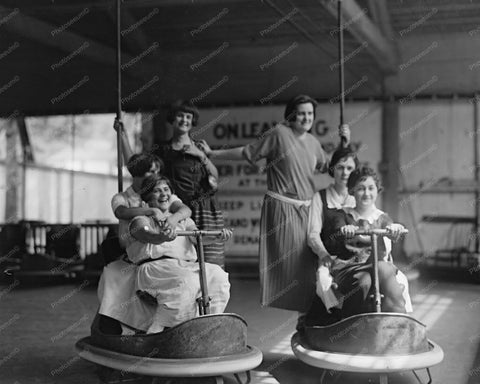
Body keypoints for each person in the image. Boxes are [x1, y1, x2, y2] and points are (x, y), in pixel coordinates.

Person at [199, 94, 350, 312]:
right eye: (301, 113)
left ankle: (314, 315)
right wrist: (213, 153)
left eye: (310, 114)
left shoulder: (314, 142)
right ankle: (305, 313)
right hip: (283, 208)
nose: (306, 118)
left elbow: (330, 168)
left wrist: (343, 144)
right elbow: (248, 152)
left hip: (308, 210)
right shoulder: (279, 133)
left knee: (313, 267)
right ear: (291, 115)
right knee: (292, 269)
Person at [115, 102, 225, 268]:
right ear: (172, 120)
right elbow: (136, 165)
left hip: (202, 210)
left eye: (189, 117)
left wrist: (202, 155)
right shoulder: (161, 150)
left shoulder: (200, 147)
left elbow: (215, 177)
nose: (184, 120)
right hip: (174, 207)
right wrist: (122, 135)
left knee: (209, 262)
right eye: (180, 116)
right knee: (177, 256)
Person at [97, 153, 192, 334]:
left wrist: (173, 219)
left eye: (157, 170)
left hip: (161, 250)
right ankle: (119, 326)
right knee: (112, 275)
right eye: (150, 170)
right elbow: (122, 212)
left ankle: (176, 324)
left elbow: (184, 209)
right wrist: (151, 210)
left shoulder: (164, 193)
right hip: (134, 251)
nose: (154, 173)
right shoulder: (122, 197)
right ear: (137, 172)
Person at [127, 175, 232, 333]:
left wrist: (217, 236)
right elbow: (147, 235)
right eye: (157, 191)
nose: (164, 194)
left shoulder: (183, 221)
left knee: (219, 275)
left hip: (184, 266)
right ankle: (158, 328)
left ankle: (209, 324)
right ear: (147, 196)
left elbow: (198, 239)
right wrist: (161, 237)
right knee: (187, 281)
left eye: (166, 189)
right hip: (155, 269)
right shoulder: (140, 220)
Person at [307, 166, 411, 324]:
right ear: (352, 192)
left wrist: (395, 228)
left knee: (386, 270)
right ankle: (352, 327)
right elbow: (337, 228)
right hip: (350, 267)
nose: (366, 193)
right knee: (364, 282)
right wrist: (345, 230)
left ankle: (398, 323)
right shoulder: (342, 215)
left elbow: (391, 228)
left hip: (377, 266)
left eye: (371, 188)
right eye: (361, 189)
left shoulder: (382, 218)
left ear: (377, 190)